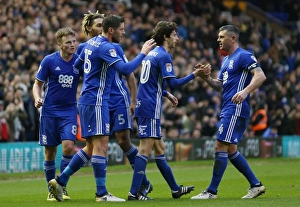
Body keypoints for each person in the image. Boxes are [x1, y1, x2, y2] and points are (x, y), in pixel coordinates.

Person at [49, 14, 155, 202]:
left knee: (93, 146)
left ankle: (61, 179)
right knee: (101, 146)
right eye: (121, 29)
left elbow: (76, 64)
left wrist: (90, 78)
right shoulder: (108, 47)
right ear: (110, 29)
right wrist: (143, 52)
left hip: (91, 99)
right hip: (97, 100)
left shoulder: (90, 45)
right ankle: (102, 194)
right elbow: (125, 70)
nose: (124, 32)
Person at [128, 21, 203, 201]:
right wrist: (195, 75)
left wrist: (166, 94)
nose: (177, 38)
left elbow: (151, 82)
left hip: (145, 104)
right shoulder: (163, 56)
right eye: (175, 35)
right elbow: (174, 83)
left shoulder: (151, 55)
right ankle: (134, 193)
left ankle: (175, 189)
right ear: (166, 36)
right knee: (144, 150)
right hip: (150, 107)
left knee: (159, 148)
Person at [191, 25, 267, 200]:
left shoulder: (244, 55)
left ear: (233, 38)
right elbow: (219, 86)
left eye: (222, 36)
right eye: (218, 36)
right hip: (227, 107)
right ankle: (256, 185)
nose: (218, 39)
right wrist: (205, 78)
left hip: (236, 108)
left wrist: (245, 91)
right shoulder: (225, 60)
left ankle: (211, 192)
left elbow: (260, 76)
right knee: (231, 149)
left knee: (220, 146)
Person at [32, 27, 80, 201]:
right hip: (50, 112)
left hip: (69, 111)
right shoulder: (49, 61)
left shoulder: (79, 61)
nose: (72, 45)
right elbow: (37, 84)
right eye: (68, 42)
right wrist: (37, 98)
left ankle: (62, 186)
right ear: (59, 44)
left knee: (68, 147)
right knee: (50, 152)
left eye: (74, 41)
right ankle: (51, 190)